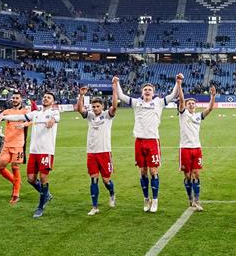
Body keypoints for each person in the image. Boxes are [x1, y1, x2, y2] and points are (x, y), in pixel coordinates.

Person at [116, 74, 182, 213]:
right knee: (142, 171)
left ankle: (155, 200)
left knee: (153, 171)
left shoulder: (159, 102)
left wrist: (177, 82)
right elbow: (121, 96)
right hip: (139, 141)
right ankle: (146, 199)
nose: (147, 91)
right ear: (142, 92)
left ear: (153, 92)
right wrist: (116, 83)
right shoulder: (136, 103)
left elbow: (173, 94)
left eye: (149, 89)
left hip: (152, 141)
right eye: (145, 89)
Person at [0, 91, 60, 218]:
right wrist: (4, 117)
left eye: (49, 97)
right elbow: (18, 117)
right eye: (44, 97)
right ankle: (46, 194)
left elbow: (56, 117)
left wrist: (52, 120)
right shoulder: (35, 114)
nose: (45, 99)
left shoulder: (53, 112)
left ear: (52, 101)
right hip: (34, 151)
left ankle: (40, 207)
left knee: (43, 178)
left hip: (46, 151)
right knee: (31, 179)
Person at [76, 84, 119, 216]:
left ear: (102, 107)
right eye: (93, 106)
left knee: (106, 180)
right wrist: (81, 95)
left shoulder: (107, 115)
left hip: (104, 152)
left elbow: (115, 106)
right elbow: (79, 109)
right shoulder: (90, 116)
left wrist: (114, 90)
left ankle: (112, 193)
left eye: (97, 106)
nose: (95, 108)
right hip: (91, 153)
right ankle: (94, 207)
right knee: (94, 179)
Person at [0, 92, 31, 204]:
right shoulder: (7, 112)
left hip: (18, 144)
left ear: (21, 100)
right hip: (7, 144)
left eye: (17, 98)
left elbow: (32, 120)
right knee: (0, 167)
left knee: (15, 167)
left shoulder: (25, 112)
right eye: (13, 98)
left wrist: (24, 125)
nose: (14, 99)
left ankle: (16, 194)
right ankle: (15, 181)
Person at [178, 85, 216, 211]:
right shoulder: (183, 114)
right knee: (187, 176)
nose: (191, 105)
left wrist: (213, 96)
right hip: (185, 149)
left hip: (197, 148)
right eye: (189, 103)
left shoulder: (199, 116)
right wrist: (179, 85)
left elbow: (210, 108)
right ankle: (190, 198)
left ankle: (197, 200)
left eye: (193, 103)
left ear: (196, 105)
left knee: (196, 174)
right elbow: (182, 101)